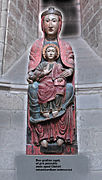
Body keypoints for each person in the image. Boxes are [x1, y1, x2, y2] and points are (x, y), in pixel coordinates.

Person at [27, 7, 75, 149]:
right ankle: (42, 135)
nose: (50, 24)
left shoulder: (66, 46)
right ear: (42, 24)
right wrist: (37, 75)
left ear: (60, 24)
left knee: (69, 87)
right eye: (47, 21)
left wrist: (70, 70)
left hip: (58, 83)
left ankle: (61, 134)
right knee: (33, 88)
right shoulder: (36, 46)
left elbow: (69, 63)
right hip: (43, 83)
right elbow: (32, 70)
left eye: (54, 21)